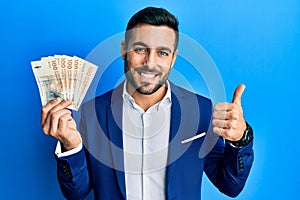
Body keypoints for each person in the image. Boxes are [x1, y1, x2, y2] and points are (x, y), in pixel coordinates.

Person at [40, 7, 254, 200]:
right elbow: (76, 193)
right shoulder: (92, 113)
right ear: (124, 49)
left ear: (173, 58)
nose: (150, 63)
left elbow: (230, 186)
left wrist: (240, 139)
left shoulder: (200, 110)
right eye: (140, 49)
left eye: (162, 53)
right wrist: (71, 146)